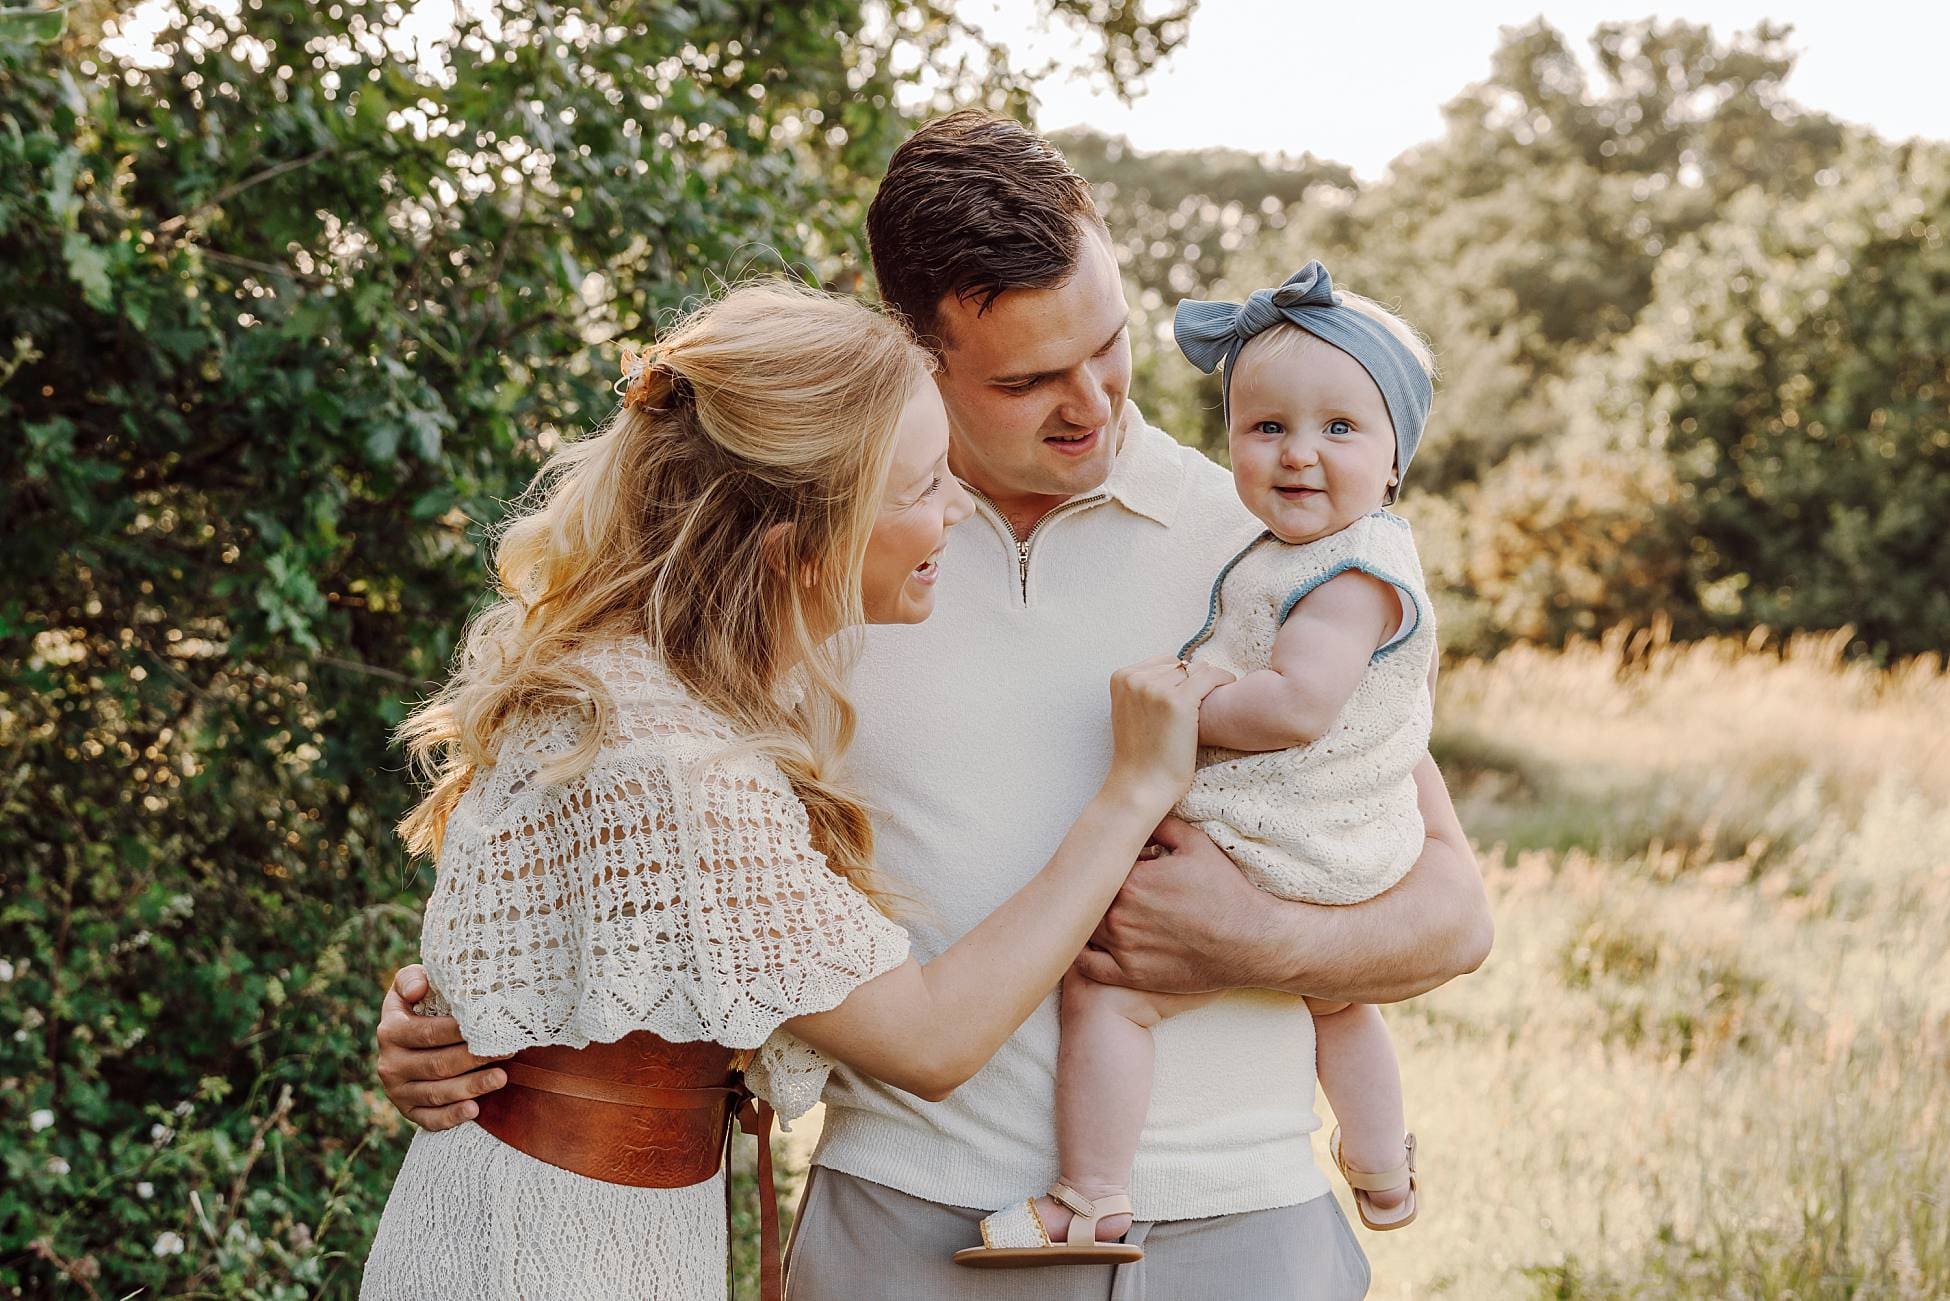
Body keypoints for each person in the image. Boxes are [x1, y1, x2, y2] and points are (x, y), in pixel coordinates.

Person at [376, 112, 1493, 1300]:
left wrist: (1260, 938)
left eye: (1106, 345)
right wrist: (484, 1035)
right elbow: (667, 852)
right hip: (906, 1231)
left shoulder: (1280, 546)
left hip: (1244, 1228)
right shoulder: (821, 572)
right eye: (1026, 379)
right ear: (917, 351)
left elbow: (1453, 911)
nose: (1092, 405)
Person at [358, 280, 1228, 1300]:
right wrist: (1132, 791)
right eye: (920, 486)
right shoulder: (672, 761)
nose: (956, 505)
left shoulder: (652, 682)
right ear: (797, 545)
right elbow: (931, 1034)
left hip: (589, 1218)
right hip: (558, 1248)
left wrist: (438, 1021)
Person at [955, 261, 1441, 1269]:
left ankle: (1089, 1195)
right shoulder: (1287, 548)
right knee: (1338, 1003)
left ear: (1398, 457)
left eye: (1340, 430)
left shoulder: (1356, 571)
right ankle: (1384, 1163)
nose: (1300, 454)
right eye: (1267, 428)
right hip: (1337, 840)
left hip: (1289, 836)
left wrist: (1181, 703)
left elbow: (1301, 703)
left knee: (1108, 989)